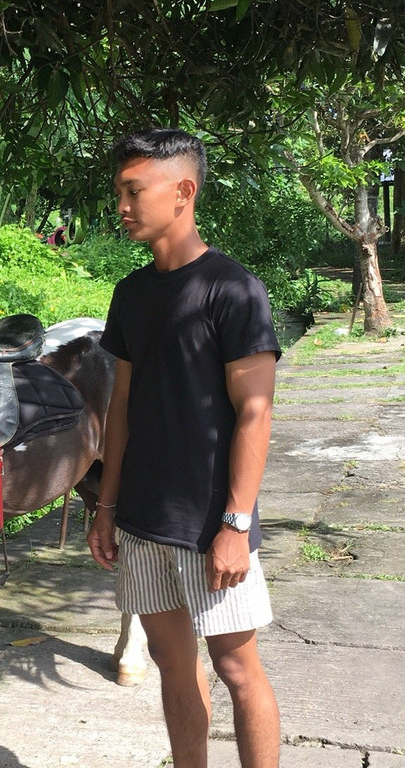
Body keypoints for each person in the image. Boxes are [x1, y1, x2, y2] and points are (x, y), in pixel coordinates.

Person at [86, 128, 281, 768]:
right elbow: (122, 407)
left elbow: (255, 411)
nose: (121, 204)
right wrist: (107, 505)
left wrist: (236, 521)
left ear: (183, 192)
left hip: (210, 524)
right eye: (119, 190)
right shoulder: (131, 294)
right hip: (142, 518)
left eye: (133, 190)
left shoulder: (233, 289)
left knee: (236, 666)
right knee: (174, 664)